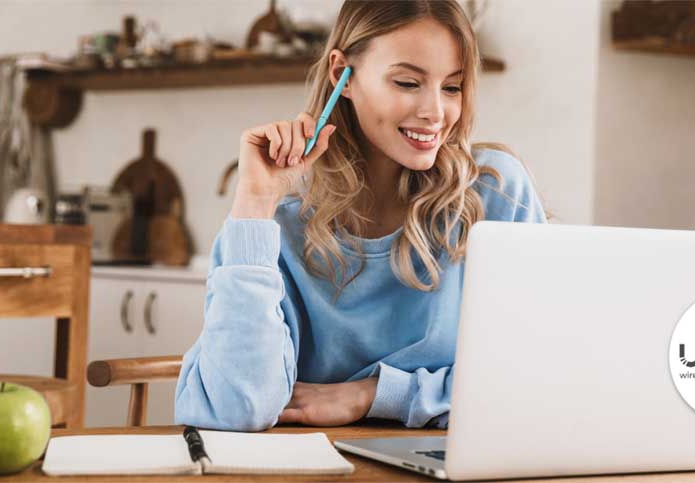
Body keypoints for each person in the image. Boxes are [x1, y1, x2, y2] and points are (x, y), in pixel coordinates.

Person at [174, 0, 551, 432]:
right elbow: (235, 408)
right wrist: (255, 201)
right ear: (342, 75)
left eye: (452, 87)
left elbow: (535, 378)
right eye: (408, 82)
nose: (435, 112)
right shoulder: (275, 227)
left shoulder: (494, 192)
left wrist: (372, 395)